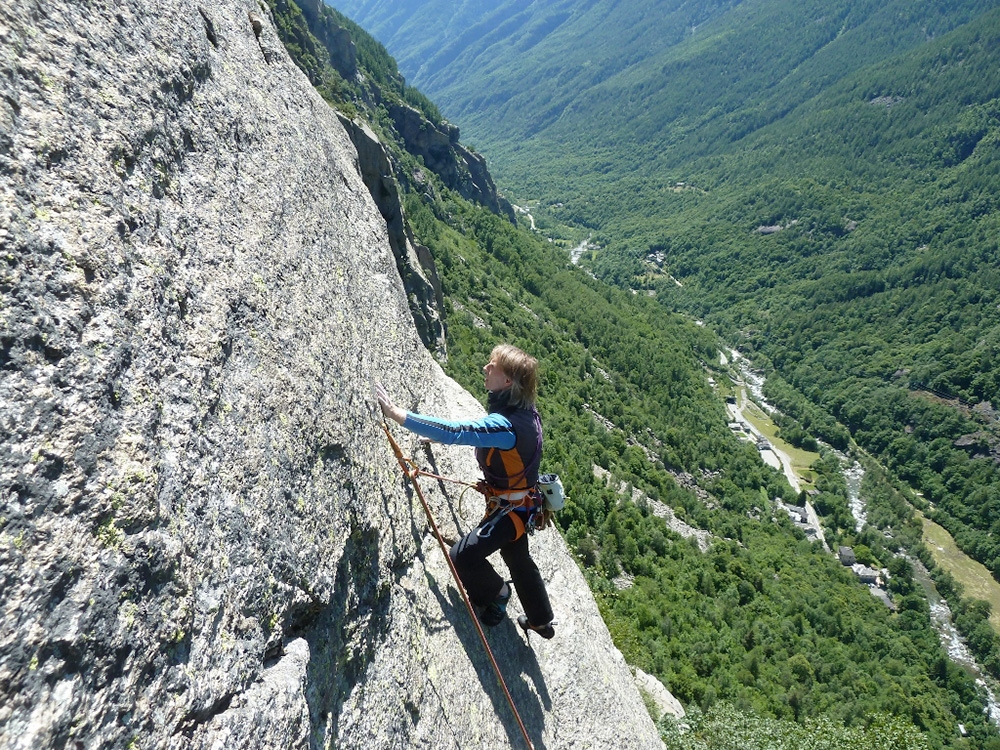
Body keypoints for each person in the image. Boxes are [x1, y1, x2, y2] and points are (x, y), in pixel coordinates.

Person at [376, 344, 555, 638]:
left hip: (510, 510)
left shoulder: (506, 424)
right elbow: (481, 438)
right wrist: (435, 438)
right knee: (518, 558)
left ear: (507, 381)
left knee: (461, 557)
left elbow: (456, 431)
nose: (485, 368)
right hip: (522, 506)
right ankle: (541, 620)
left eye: (492, 366)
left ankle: (496, 593)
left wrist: (397, 414)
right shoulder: (526, 413)